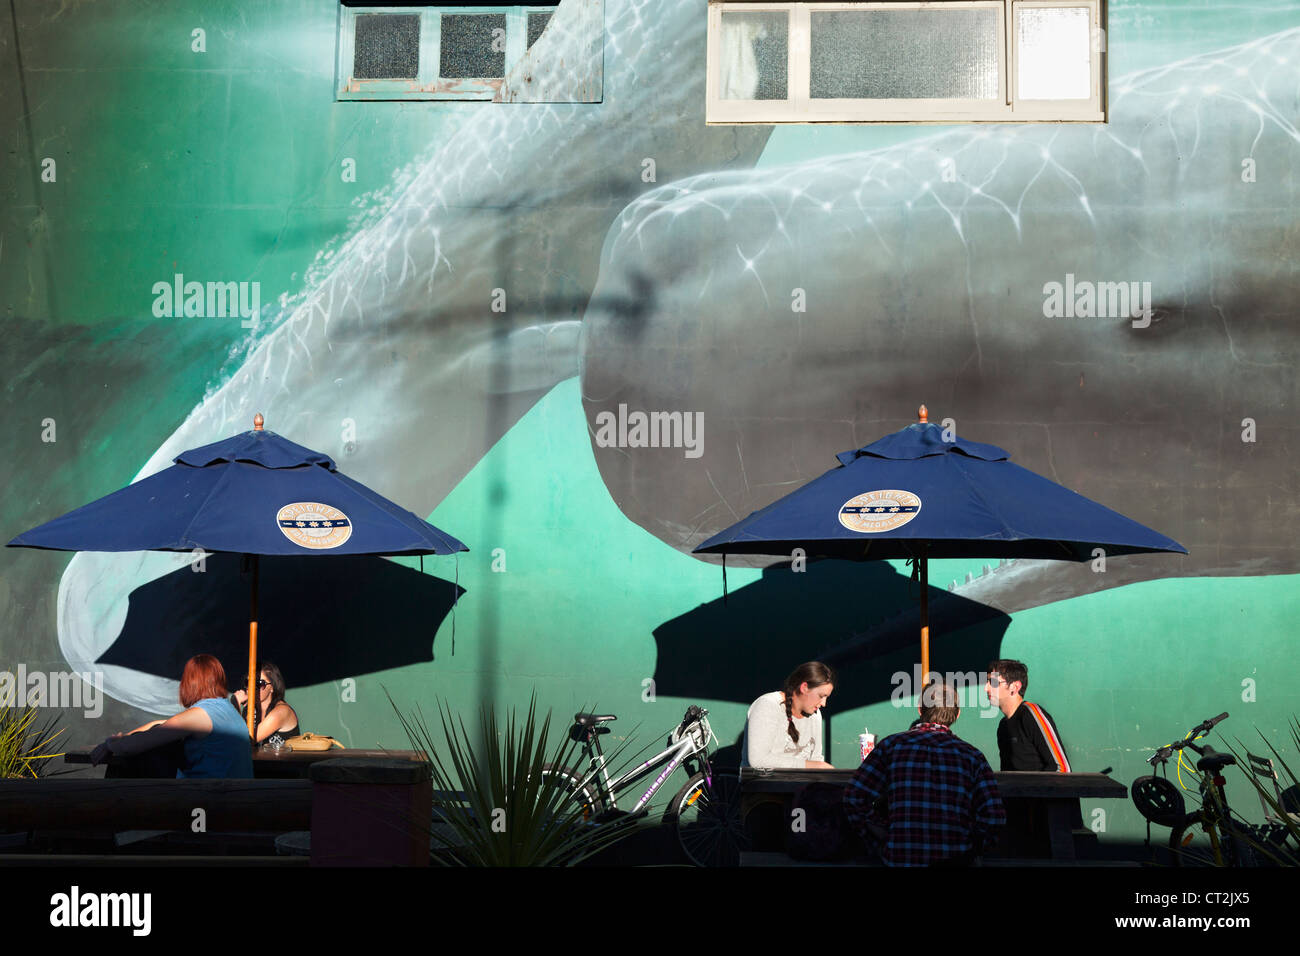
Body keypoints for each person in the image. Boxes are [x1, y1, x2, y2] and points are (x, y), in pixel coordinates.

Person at [842, 682, 1004, 866]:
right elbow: (994, 817)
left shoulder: (891, 747)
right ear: (957, 714)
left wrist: (882, 835)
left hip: (900, 858)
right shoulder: (973, 757)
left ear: (920, 709)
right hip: (955, 859)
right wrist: (972, 848)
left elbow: (853, 798)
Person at [106, 654, 254, 778]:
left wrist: (110, 745)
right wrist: (124, 737)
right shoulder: (226, 709)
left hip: (209, 800)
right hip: (235, 796)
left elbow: (129, 747)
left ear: (189, 683)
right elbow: (161, 725)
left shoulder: (199, 715)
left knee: (137, 759)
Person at [741, 661, 835, 769]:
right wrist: (812, 766)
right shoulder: (768, 704)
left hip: (801, 784)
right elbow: (758, 760)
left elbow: (816, 759)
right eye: (821, 696)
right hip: (762, 783)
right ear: (804, 687)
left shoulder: (816, 714)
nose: (824, 703)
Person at [985, 659, 1071, 772]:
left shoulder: (1031, 713)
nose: (986, 688)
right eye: (986, 682)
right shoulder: (1003, 726)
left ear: (1015, 687)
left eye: (993, 682)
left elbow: (1062, 768)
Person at [232, 660, 300, 746]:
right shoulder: (250, 710)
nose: (252, 687)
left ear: (272, 687)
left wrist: (235, 703)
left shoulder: (281, 711)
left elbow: (244, 741)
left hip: (282, 759)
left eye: (259, 683)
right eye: (248, 682)